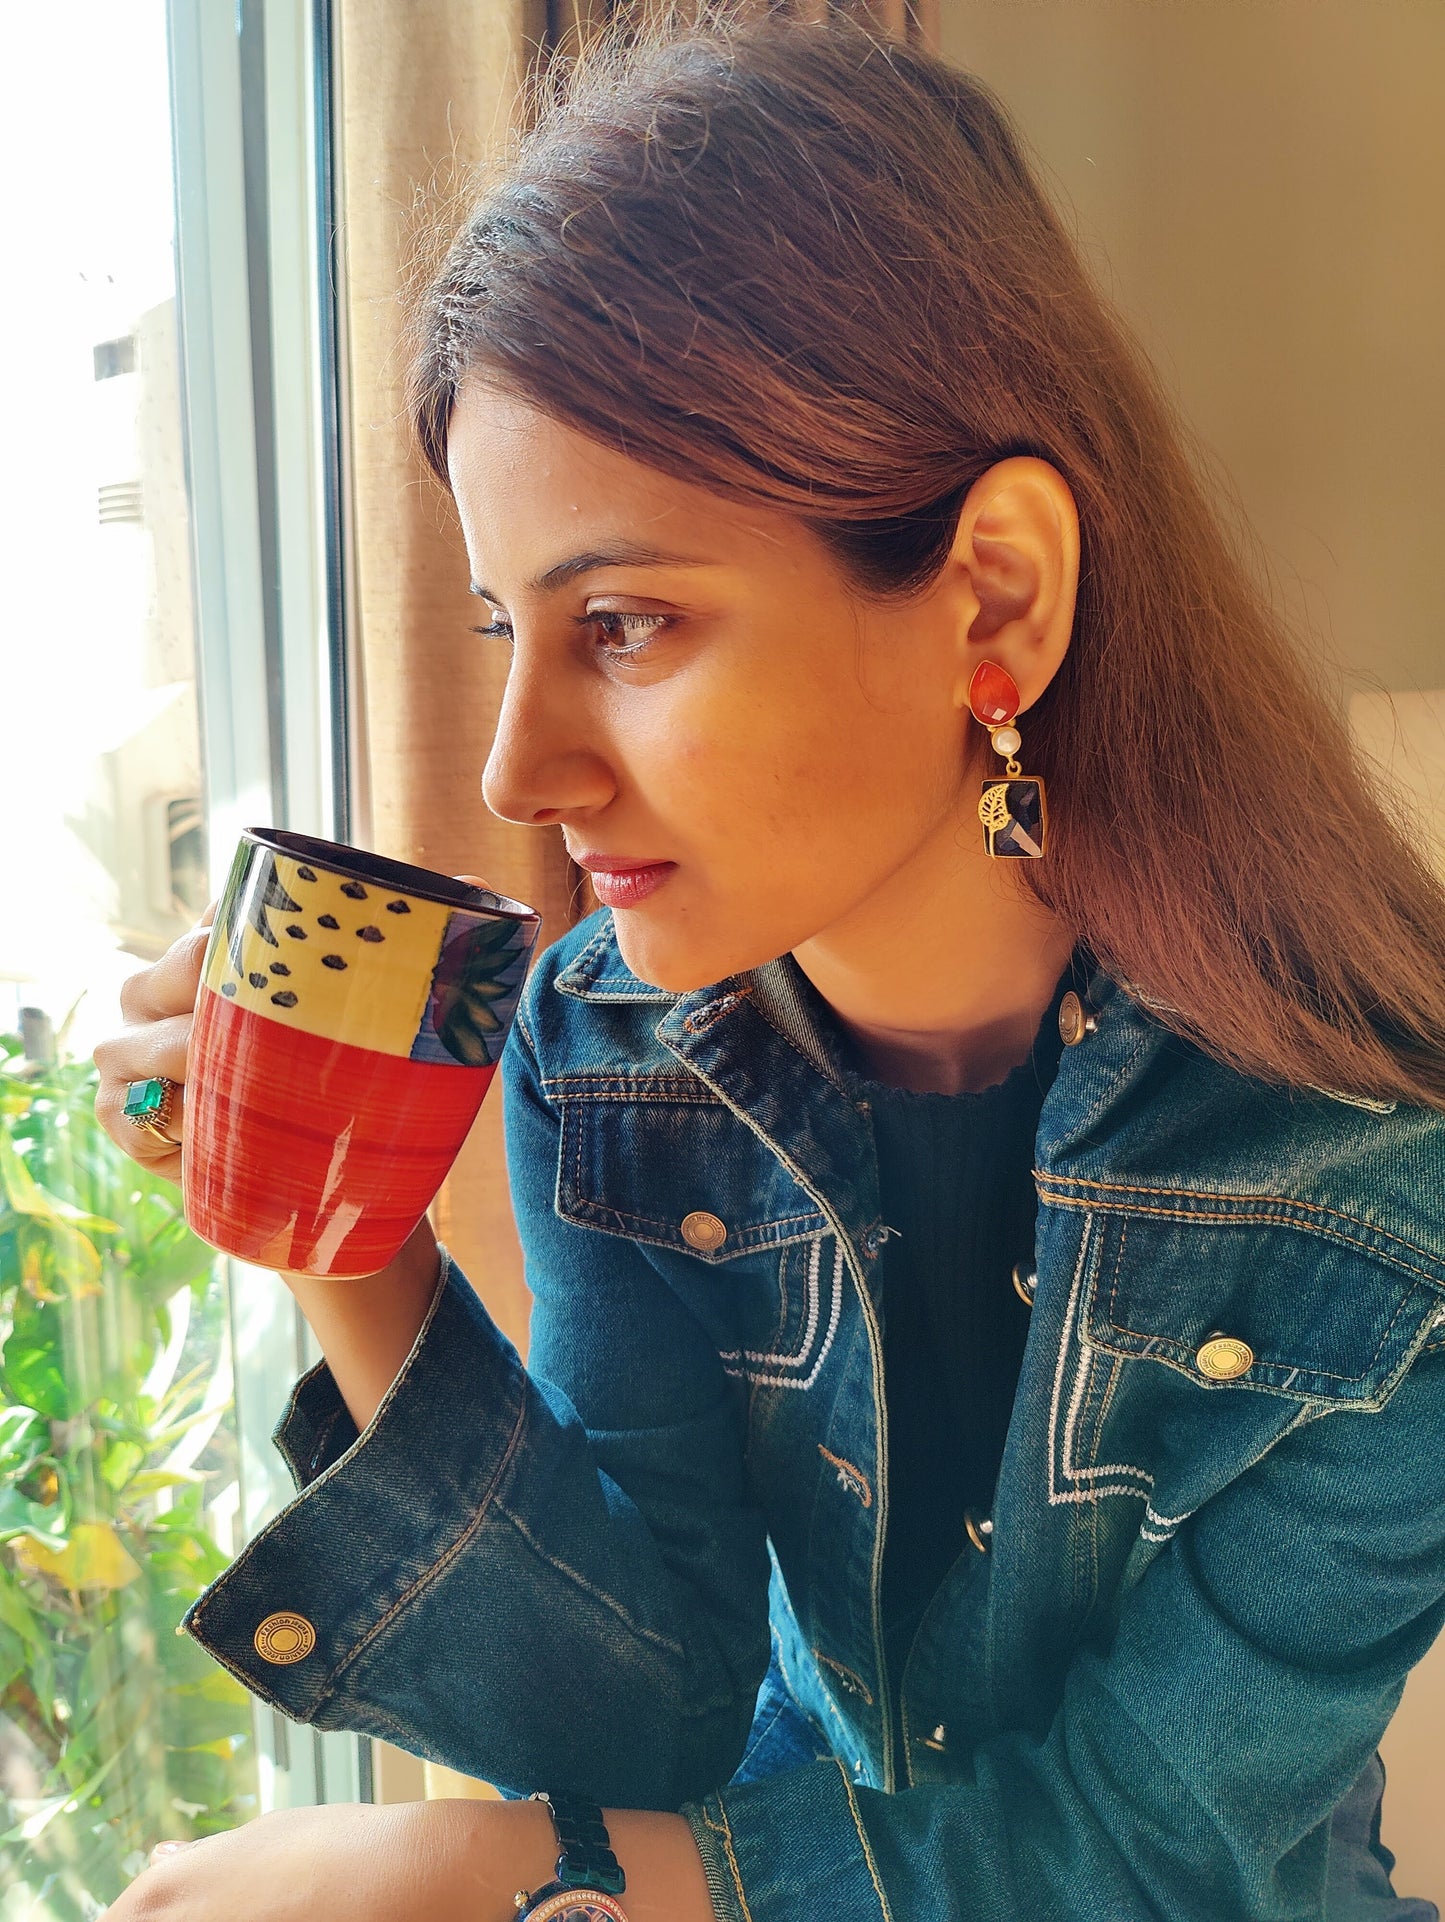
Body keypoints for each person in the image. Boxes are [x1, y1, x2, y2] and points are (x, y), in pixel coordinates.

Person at [91, 11, 1445, 1920]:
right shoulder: (608, 1049)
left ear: (992, 592)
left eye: (624, 622)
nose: (514, 771)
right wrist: (342, 1238)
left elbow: (1143, 1856)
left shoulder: (1383, 1180)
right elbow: (643, 1709)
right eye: (506, 626)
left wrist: (481, 1877)